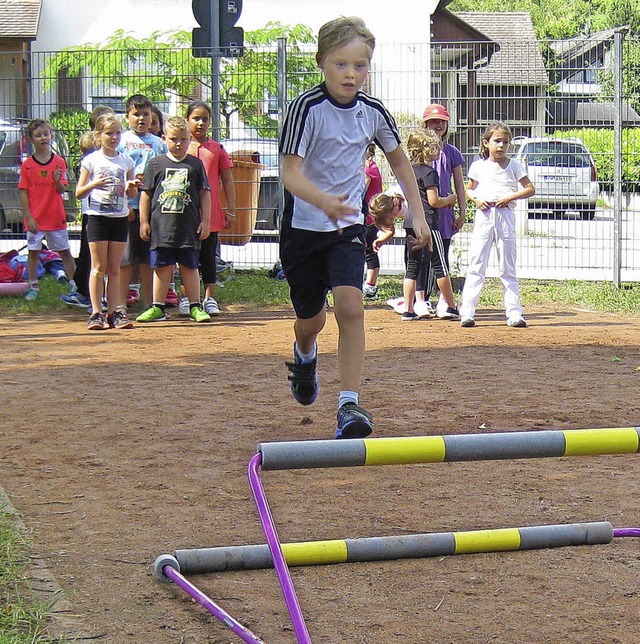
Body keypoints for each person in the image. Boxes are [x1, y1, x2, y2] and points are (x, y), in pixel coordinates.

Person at [279, 16, 431, 439]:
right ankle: (304, 354)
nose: (350, 74)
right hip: (303, 231)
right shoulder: (306, 109)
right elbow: (289, 173)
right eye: (341, 64)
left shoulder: (373, 112)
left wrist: (417, 214)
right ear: (321, 62)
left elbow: (400, 162)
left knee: (351, 307)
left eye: (360, 66)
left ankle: (349, 406)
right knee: (312, 321)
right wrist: (322, 199)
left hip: (346, 228)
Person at [136, 116, 212, 324]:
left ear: (189, 140)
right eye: (173, 139)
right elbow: (146, 195)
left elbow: (204, 194)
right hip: (162, 227)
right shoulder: (155, 164)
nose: (178, 144)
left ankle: (195, 305)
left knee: (190, 266)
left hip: (188, 227)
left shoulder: (195, 165)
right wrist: (144, 221)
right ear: (164, 139)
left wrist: (206, 221)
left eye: (183, 139)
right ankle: (157, 306)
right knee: (162, 267)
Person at [459, 121, 535, 328]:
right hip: (485, 215)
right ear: (486, 143)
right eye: (497, 141)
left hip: (505, 215)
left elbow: (529, 188)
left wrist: (511, 197)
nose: (501, 146)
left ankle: (514, 313)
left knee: (507, 266)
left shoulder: (514, 166)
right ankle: (467, 311)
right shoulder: (478, 166)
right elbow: (469, 189)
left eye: (505, 142)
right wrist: (475, 199)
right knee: (477, 263)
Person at [76, 113, 138, 330]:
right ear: (99, 135)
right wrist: (94, 184)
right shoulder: (91, 160)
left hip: (119, 218)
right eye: (109, 133)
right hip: (97, 218)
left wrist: (132, 187)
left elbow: (131, 193)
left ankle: (114, 312)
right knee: (98, 267)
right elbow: (78, 192)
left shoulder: (126, 160)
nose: (114, 137)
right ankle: (96, 312)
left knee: (115, 268)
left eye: (117, 133)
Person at [178, 100, 235, 317]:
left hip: (211, 212)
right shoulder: (182, 148)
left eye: (205, 119)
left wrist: (231, 209)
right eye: (196, 118)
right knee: (186, 255)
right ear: (187, 119)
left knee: (209, 255)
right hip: (185, 212)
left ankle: (210, 297)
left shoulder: (217, 149)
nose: (200, 123)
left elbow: (228, 181)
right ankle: (187, 297)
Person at [401, 128, 459, 321]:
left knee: (412, 266)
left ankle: (408, 309)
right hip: (428, 224)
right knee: (440, 265)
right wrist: (450, 199)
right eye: (434, 147)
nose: (437, 151)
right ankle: (451, 306)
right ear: (426, 150)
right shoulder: (429, 172)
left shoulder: (408, 170)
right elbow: (433, 201)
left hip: (411, 222)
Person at [117, 94, 167, 312]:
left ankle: (150, 304)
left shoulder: (159, 144)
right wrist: (125, 203)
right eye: (136, 114)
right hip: (126, 209)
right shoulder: (120, 142)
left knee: (149, 260)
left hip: (153, 211)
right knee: (125, 260)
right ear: (127, 116)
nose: (141, 119)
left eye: (145, 114)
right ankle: (119, 304)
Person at [18, 119, 77, 302]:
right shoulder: (27, 165)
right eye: (38, 135)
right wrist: (29, 216)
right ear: (30, 139)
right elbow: (23, 191)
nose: (43, 138)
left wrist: (58, 180)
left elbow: (61, 190)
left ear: (51, 136)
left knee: (65, 251)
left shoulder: (59, 162)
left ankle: (75, 284)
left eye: (46, 134)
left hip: (55, 216)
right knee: (33, 251)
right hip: (36, 218)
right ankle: (33, 285)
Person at [418, 103, 467, 318]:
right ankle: (420, 300)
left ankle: (442, 301)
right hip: (423, 213)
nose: (437, 125)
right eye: (432, 121)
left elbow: (459, 184)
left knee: (441, 255)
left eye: (441, 122)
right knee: (420, 258)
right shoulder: (417, 152)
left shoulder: (452, 153)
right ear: (425, 124)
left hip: (444, 214)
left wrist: (462, 212)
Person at [362, 143, 384, 299]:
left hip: (369, 217)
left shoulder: (369, 168)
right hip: (365, 216)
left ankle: (370, 286)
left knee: (369, 250)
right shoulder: (369, 167)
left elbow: (360, 190)